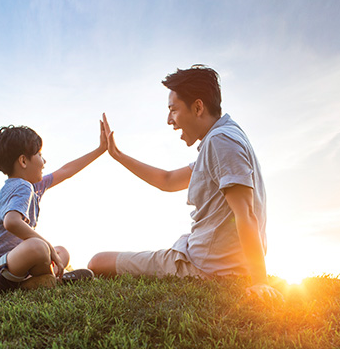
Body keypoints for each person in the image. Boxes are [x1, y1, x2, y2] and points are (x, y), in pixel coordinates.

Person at [88, 65, 282, 301]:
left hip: (203, 266)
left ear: (198, 107)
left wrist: (260, 282)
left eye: (173, 110)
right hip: (217, 261)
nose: (170, 120)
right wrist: (118, 155)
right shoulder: (223, 137)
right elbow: (167, 180)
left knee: (97, 261)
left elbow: (245, 212)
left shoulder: (221, 142)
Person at [0, 122, 105, 294]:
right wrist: (48, 246)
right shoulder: (22, 186)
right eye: (39, 155)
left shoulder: (34, 186)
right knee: (39, 248)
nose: (44, 161)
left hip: (2, 270)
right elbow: (11, 222)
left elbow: (66, 171)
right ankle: (45, 281)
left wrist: (100, 150)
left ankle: (40, 281)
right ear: (23, 161)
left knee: (62, 252)